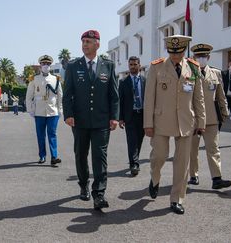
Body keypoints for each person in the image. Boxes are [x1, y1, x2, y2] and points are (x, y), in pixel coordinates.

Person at [143, 35, 206, 214]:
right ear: (168, 50)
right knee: (159, 156)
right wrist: (148, 123)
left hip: (186, 122)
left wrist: (201, 121)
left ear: (184, 50)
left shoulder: (193, 68)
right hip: (161, 120)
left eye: (178, 53)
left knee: (182, 163)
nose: (175, 56)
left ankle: (177, 198)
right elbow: (149, 99)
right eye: (172, 52)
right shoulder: (156, 67)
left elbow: (198, 97)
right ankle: (155, 178)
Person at [63, 30, 119, 210]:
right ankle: (83, 184)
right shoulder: (73, 66)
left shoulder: (108, 66)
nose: (85, 44)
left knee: (100, 157)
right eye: (83, 41)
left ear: (97, 44)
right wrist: (68, 114)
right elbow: (67, 94)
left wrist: (114, 117)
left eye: (88, 41)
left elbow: (114, 95)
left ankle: (99, 194)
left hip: (102, 121)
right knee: (81, 154)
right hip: (79, 121)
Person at [188, 43, 231, 189]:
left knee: (213, 148)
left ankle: (216, 178)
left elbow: (221, 96)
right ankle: (193, 176)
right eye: (198, 56)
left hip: (211, 118)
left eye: (204, 56)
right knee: (192, 149)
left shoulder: (216, 73)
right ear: (194, 57)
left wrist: (225, 112)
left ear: (208, 57)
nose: (201, 59)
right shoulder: (187, 73)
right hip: (193, 118)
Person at [26, 54, 62, 166]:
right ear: (40, 65)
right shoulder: (34, 79)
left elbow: (60, 95)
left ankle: (54, 157)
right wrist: (30, 109)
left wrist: (60, 109)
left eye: (47, 63)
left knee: (52, 134)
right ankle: (42, 156)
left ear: (50, 65)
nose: (45, 65)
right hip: (39, 111)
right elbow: (29, 96)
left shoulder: (56, 79)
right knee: (41, 135)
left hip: (52, 111)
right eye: (43, 63)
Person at [119, 56, 146, 176]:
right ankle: (134, 164)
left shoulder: (146, 80)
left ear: (139, 65)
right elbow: (121, 101)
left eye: (135, 64)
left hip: (143, 115)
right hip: (130, 116)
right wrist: (120, 118)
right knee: (131, 141)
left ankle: (135, 160)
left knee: (139, 140)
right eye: (131, 65)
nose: (133, 67)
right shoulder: (123, 82)